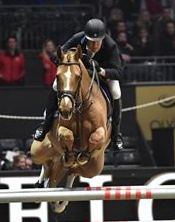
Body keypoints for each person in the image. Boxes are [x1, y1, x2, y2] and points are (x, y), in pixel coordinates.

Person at [33, 18, 125, 150]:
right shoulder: (78, 38)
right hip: (80, 74)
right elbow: (62, 51)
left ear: (103, 39)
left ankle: (116, 134)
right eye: (91, 42)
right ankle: (45, 124)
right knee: (55, 85)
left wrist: (100, 70)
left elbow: (118, 72)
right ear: (86, 37)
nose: (94, 46)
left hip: (104, 73)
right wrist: (57, 58)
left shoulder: (111, 45)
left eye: (97, 42)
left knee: (116, 91)